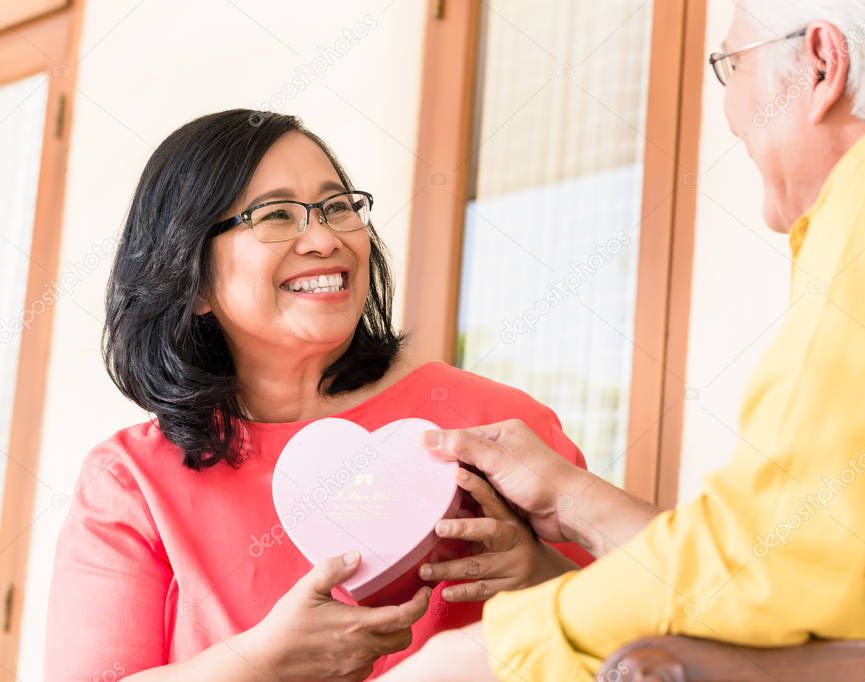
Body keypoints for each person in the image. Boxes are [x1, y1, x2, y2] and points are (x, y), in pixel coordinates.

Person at [379, 1, 865, 679]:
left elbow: (781, 558)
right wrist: (576, 501)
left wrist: (491, 651)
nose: (730, 113)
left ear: (822, 65)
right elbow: (835, 563)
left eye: (731, 65)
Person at [43, 109, 591, 681]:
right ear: (194, 279)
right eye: (276, 215)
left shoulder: (495, 424)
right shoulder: (130, 480)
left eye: (338, 207)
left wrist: (537, 572)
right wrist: (265, 664)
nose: (326, 239)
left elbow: (640, 626)